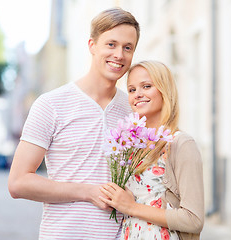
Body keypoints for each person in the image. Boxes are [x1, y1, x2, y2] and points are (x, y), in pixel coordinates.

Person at [8, 8, 140, 240]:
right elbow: (18, 183)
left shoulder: (133, 111)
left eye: (127, 47)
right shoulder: (51, 104)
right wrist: (88, 192)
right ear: (92, 45)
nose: (119, 54)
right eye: (111, 44)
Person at [100, 60, 204, 240]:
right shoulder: (131, 146)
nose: (137, 94)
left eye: (146, 86)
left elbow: (193, 219)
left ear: (165, 90)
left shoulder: (180, 144)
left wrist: (130, 206)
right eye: (131, 90)